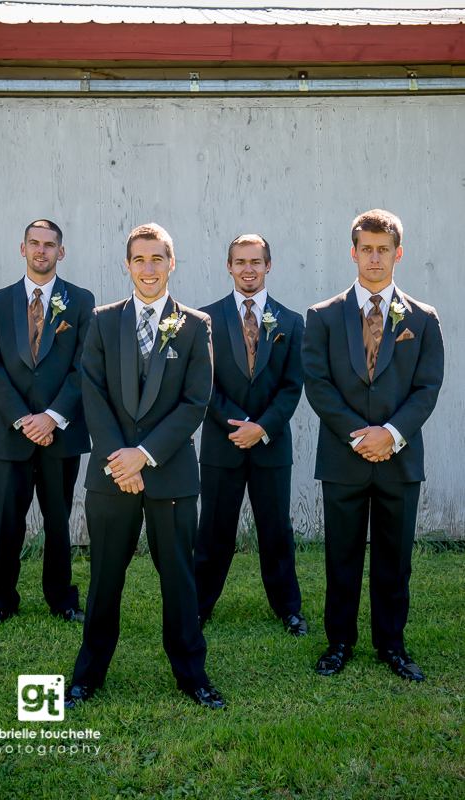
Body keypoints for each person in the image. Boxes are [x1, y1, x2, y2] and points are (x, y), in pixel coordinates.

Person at [65, 223, 225, 710]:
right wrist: (122, 459)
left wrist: (146, 454)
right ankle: (88, 676)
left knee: (179, 580)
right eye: (139, 259)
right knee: (103, 580)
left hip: (170, 473)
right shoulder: (102, 321)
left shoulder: (195, 324)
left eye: (158, 258)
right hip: (111, 473)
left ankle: (192, 677)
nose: (149, 268)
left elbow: (195, 402)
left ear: (171, 263)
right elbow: (92, 393)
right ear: (128, 265)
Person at [301, 209, 444, 680]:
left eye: (384, 249)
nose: (375, 258)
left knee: (394, 560)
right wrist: (361, 436)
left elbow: (427, 387)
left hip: (399, 460)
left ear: (398, 254)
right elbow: (318, 384)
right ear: (354, 253)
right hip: (344, 458)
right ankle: (339, 643)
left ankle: (392, 645)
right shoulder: (323, 316)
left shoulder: (423, 318)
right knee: (341, 557)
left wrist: (392, 435)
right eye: (367, 249)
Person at [0, 219, 94, 629]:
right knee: (7, 521)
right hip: (12, 432)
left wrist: (52, 417)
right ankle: (1, 602)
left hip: (61, 432)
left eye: (49, 244)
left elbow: (84, 365)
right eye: (34, 243)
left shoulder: (81, 301)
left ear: (61, 252)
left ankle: (62, 599)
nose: (41, 250)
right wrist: (24, 420)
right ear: (22, 248)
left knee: (58, 520)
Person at [194, 234, 306, 635]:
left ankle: (288, 609)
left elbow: (292, 385)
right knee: (213, 531)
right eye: (240, 262)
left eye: (255, 262)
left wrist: (262, 427)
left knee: (276, 532)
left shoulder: (291, 321)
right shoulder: (205, 320)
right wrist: (238, 425)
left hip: (270, 445)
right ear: (229, 267)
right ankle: (198, 607)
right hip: (222, 444)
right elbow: (203, 384)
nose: (248, 269)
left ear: (268, 266)